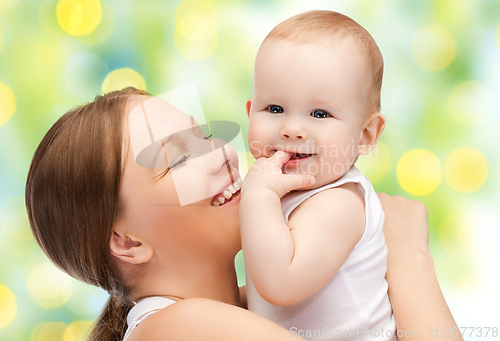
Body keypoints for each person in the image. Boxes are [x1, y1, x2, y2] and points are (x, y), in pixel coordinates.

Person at [25, 87, 462, 341]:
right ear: (128, 242)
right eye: (178, 159)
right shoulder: (178, 328)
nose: (220, 154)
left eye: (202, 135)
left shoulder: (261, 305)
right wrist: (407, 257)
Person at [240, 10, 390, 339]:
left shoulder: (339, 203)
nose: (292, 129)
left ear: (365, 135)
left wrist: (258, 197)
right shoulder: (281, 190)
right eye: (275, 109)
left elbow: (280, 283)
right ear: (251, 112)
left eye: (320, 113)